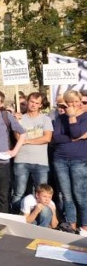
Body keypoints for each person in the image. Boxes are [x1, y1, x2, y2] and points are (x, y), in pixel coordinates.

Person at [51, 89, 87, 235]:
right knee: (66, 194)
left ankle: (84, 225)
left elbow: (76, 132)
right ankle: (71, 224)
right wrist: (75, 138)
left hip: (79, 160)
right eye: (70, 102)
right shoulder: (60, 118)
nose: (73, 104)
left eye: (76, 101)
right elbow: (56, 138)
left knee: (80, 194)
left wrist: (72, 117)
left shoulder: (85, 117)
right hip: (60, 159)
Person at [10, 92, 53, 213]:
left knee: (42, 194)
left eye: (37, 103)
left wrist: (27, 140)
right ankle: (15, 217)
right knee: (18, 192)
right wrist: (17, 123)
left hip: (40, 162)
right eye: (32, 102)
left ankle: (41, 218)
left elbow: (47, 138)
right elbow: (18, 137)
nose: (33, 105)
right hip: (21, 160)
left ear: (41, 105)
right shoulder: (20, 118)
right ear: (27, 102)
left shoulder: (46, 119)